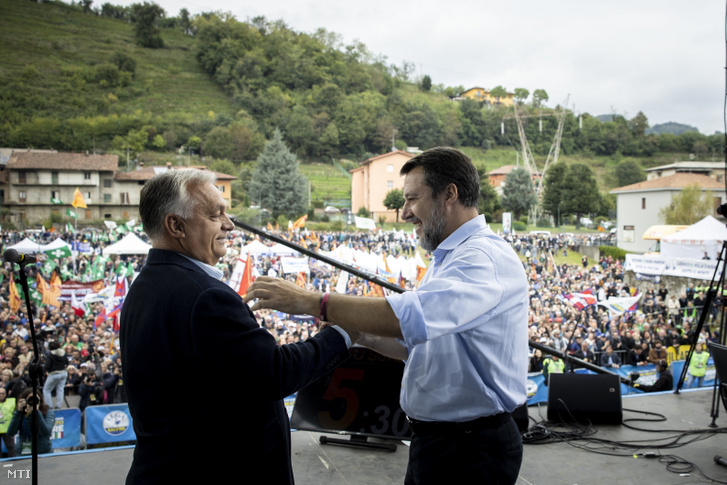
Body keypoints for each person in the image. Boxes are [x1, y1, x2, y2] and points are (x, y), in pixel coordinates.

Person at [246, 147, 529, 484]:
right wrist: (362, 334)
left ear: (449, 194)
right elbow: (420, 348)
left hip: (470, 449)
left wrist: (311, 301)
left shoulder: (482, 258)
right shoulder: (448, 257)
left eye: (412, 198)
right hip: (442, 442)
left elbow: (411, 317)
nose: (405, 212)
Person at [120, 169, 355, 484]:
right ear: (175, 225)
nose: (229, 224)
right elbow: (276, 373)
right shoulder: (205, 296)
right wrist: (343, 333)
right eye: (215, 215)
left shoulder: (145, 284)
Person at [6, 388, 55, 455]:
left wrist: (37, 413)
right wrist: (18, 412)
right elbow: (11, 432)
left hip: (43, 451)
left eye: (35, 399)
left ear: (40, 400)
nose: (33, 401)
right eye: (30, 399)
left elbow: (46, 432)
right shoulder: (20, 413)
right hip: (23, 451)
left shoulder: (48, 412)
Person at [43, 339, 68, 409]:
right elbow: (67, 362)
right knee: (60, 389)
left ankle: (49, 406)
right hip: (63, 373)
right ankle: (59, 405)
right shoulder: (63, 352)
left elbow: (47, 365)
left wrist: (45, 370)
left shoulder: (51, 354)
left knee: (46, 390)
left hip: (54, 374)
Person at [0, 386, 17, 457]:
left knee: (11, 447)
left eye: (2, 393)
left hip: (8, 428)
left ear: (6, 394)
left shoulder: (11, 402)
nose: (1, 395)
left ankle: (15, 464)